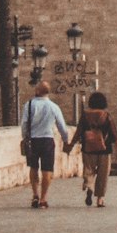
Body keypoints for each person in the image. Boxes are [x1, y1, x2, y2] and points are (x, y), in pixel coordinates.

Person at [65, 90, 117, 207]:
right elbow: (114, 133)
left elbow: (78, 132)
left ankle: (89, 186)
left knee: (88, 170)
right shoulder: (106, 116)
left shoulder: (85, 115)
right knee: (103, 174)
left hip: (88, 148)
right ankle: (100, 199)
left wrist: (70, 146)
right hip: (104, 149)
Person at [20, 81, 69, 209]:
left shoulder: (29, 105)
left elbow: (24, 124)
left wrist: (24, 136)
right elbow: (62, 126)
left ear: (37, 91)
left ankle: (35, 194)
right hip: (47, 140)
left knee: (33, 167)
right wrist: (65, 139)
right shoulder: (54, 107)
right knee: (47, 170)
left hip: (33, 140)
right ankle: (43, 198)